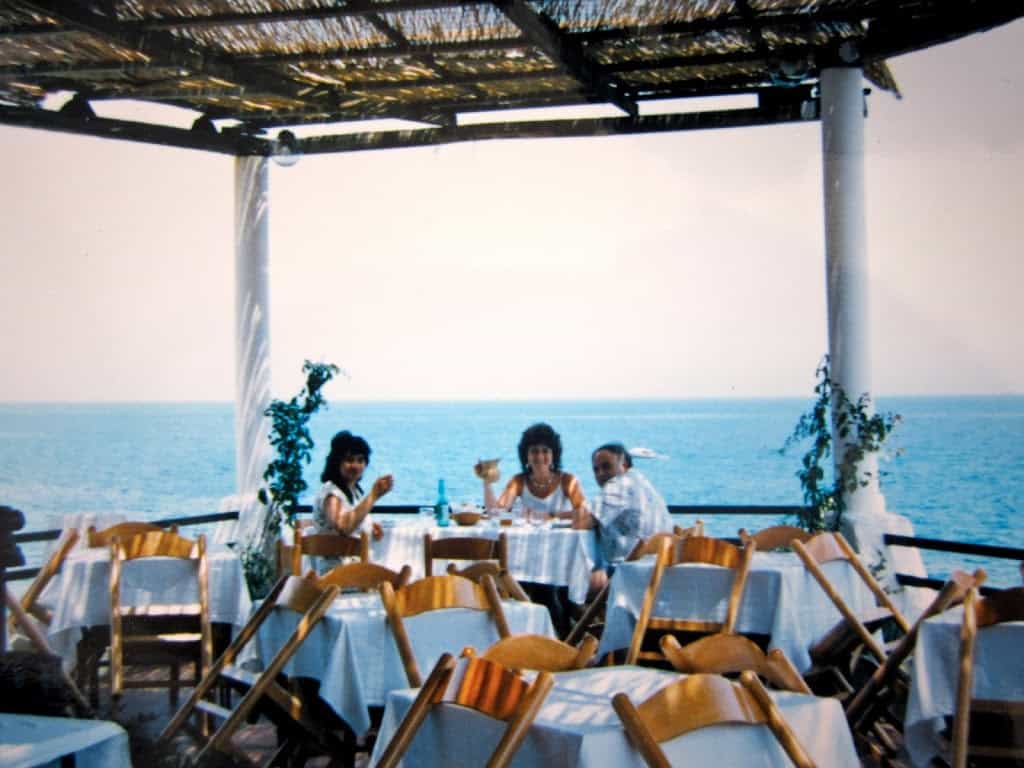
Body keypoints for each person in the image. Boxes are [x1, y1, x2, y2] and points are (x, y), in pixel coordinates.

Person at [573, 442, 674, 597]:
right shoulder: (640, 480)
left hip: (631, 572)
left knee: (563, 576)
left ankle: (562, 618)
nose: (600, 473)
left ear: (624, 464)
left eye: (606, 467)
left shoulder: (619, 485)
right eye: (596, 469)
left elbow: (582, 522)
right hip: (661, 568)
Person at [477, 422, 587, 521]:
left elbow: (584, 512)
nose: (539, 456)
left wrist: (551, 516)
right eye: (534, 451)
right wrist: (486, 480)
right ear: (526, 456)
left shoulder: (568, 481)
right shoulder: (518, 481)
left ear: (554, 455)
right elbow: (496, 513)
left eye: (545, 451)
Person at [312, 430, 393, 558]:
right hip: (335, 572)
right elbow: (343, 527)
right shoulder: (331, 494)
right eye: (349, 460)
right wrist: (373, 496)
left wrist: (369, 526)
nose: (355, 466)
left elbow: (352, 517)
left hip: (354, 566)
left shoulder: (353, 491)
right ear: (336, 462)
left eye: (360, 461)